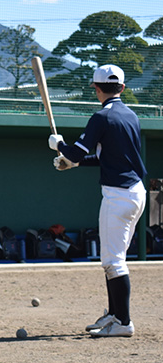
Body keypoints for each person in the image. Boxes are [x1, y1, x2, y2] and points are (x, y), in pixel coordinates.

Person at [48, 64, 147, 338]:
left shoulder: (101, 117)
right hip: (136, 193)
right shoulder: (131, 116)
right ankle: (114, 314)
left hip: (117, 196)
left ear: (96, 88)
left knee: (113, 262)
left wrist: (58, 145)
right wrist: (73, 165)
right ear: (123, 88)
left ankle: (123, 322)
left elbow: (76, 152)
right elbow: (109, 158)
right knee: (115, 260)